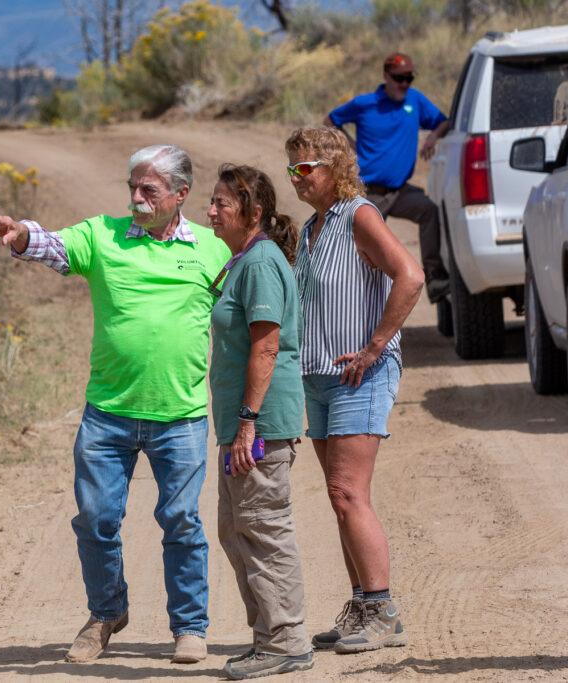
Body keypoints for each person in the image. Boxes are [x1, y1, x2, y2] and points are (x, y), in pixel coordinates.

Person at [0, 144, 231, 665]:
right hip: (108, 411)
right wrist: (21, 234)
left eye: (150, 191)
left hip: (181, 416)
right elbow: (52, 245)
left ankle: (189, 627)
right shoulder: (102, 235)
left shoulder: (213, 250)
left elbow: (250, 317)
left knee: (182, 521)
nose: (137, 199)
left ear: (181, 195)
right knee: (96, 520)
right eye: (133, 189)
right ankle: (105, 614)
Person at [286, 127, 424, 654]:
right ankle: (362, 605)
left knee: (349, 494)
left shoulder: (358, 215)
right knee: (338, 497)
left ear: (334, 166)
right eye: (291, 169)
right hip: (320, 375)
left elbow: (408, 276)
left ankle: (383, 612)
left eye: (305, 168)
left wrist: (375, 346)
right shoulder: (314, 226)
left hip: (360, 374)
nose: (297, 178)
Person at [206, 164, 314, 678]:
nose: (211, 211)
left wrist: (248, 421)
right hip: (240, 425)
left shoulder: (261, 263)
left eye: (221, 203)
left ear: (252, 212)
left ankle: (287, 640)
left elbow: (267, 346)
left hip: (260, 425)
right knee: (236, 529)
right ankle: (267, 635)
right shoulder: (243, 260)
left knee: (264, 528)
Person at [324, 52, 450, 301]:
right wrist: (350, 144)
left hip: (400, 191)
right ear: (385, 76)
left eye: (409, 78)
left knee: (429, 211)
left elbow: (443, 121)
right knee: (359, 247)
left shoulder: (415, 101)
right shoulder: (365, 104)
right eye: (398, 78)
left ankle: (434, 279)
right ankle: (347, 295)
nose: (404, 84)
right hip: (369, 193)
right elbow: (330, 121)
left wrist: (433, 137)